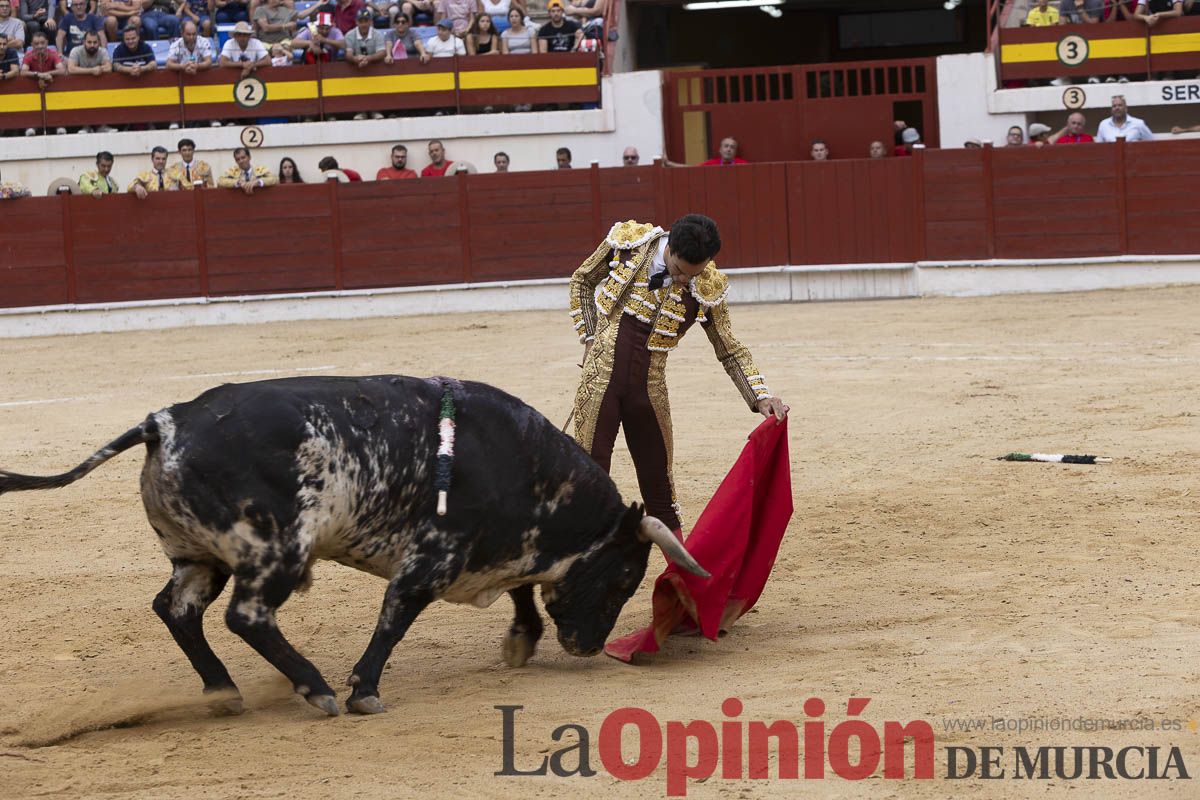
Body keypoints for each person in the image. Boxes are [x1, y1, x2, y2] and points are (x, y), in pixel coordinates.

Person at [568, 214, 788, 537]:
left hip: (648, 390)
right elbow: (582, 280)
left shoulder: (707, 286)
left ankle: (680, 576)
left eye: (694, 274)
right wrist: (589, 336)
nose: (686, 281)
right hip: (600, 379)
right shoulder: (629, 244)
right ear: (669, 248)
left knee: (659, 487)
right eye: (681, 272)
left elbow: (729, 348)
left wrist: (760, 396)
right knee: (589, 474)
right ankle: (581, 571)